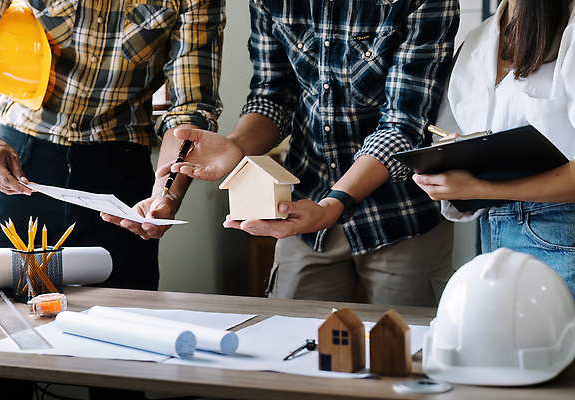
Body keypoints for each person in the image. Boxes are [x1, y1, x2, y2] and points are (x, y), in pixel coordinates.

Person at [0, 1, 223, 398]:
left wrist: (166, 194)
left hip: (120, 170)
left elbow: (190, 108)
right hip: (21, 162)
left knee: (121, 352)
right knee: (3, 344)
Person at [106, 0, 459, 307]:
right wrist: (237, 147)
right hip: (305, 205)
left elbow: (402, 125)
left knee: (405, 358)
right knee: (288, 346)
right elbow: (274, 96)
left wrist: (333, 205)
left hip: (402, 214)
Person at [413, 0, 575, 299]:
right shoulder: (477, 38)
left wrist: (481, 186)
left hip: (562, 234)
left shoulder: (571, 31)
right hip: (493, 231)